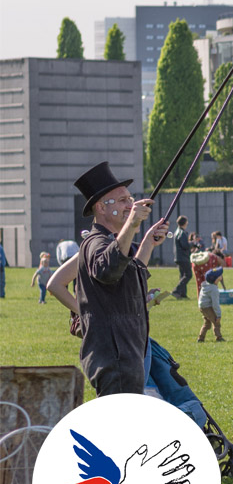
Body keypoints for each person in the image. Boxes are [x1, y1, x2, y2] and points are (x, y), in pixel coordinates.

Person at [71, 161, 168, 395]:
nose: (131, 204)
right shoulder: (95, 242)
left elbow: (128, 275)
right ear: (101, 208)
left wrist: (147, 243)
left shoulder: (111, 242)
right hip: (114, 358)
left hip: (125, 354)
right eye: (123, 200)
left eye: (130, 198)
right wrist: (133, 224)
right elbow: (108, 270)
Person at [196, 267, 225, 343]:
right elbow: (215, 304)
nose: (221, 275)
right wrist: (218, 315)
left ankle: (201, 338)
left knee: (207, 323)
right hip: (207, 307)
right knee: (216, 322)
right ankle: (219, 337)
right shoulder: (213, 289)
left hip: (202, 306)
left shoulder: (206, 285)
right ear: (215, 279)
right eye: (219, 275)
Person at [171, 215, 192, 299]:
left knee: (183, 275)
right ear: (185, 223)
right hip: (183, 257)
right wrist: (192, 243)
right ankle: (176, 291)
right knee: (188, 275)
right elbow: (185, 245)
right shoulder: (182, 232)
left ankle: (182, 294)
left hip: (178, 257)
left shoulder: (177, 231)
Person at [0, 230, 7, 298]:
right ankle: (1, 294)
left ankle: (2, 294)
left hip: (1, 266)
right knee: (2, 281)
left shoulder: (0, 247)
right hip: (1, 266)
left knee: (2, 282)